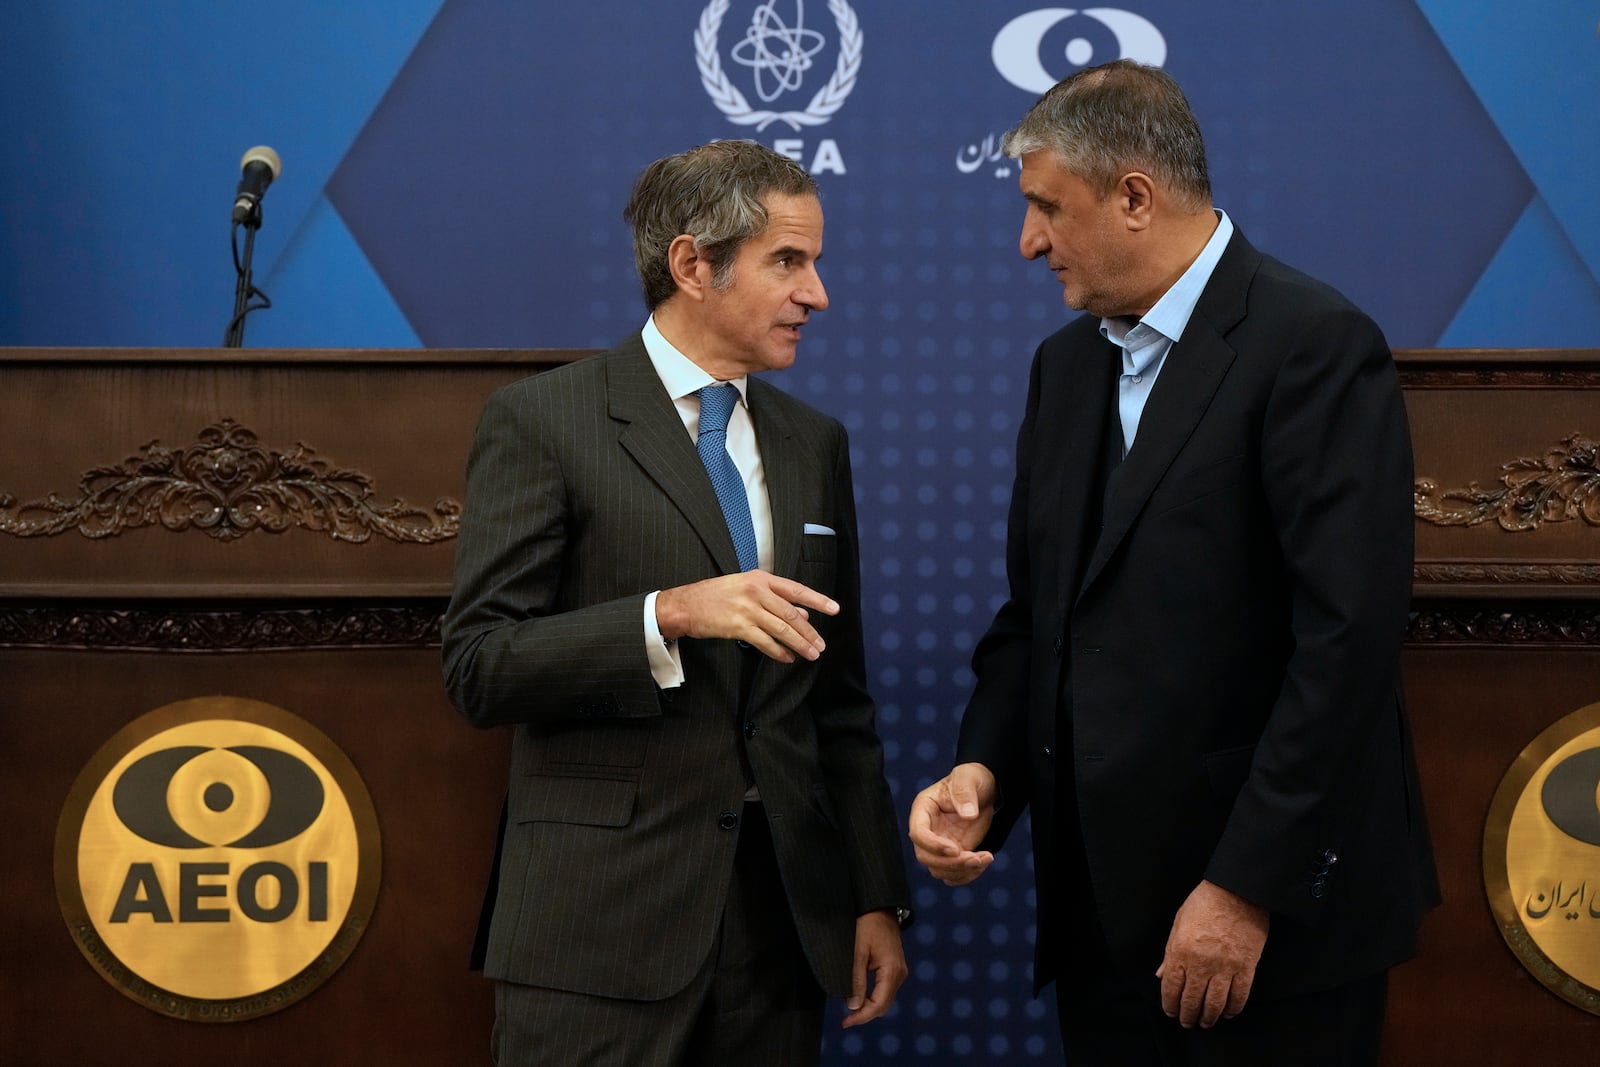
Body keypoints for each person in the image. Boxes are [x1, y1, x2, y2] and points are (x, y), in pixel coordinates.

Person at [908, 60, 1438, 1065]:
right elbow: (1041, 619)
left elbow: (1345, 645)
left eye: (1045, 208)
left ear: (1135, 196)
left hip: (1268, 929)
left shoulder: (1313, 344)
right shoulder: (1062, 370)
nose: (1028, 242)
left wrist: (1245, 886)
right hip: (1104, 929)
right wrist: (983, 770)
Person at [443, 140, 909, 1067]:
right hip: (596, 932)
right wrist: (668, 615)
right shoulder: (544, 420)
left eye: (814, 263)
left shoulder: (815, 442)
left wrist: (872, 894)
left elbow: (838, 700)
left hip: (779, 934)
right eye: (789, 261)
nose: (817, 295)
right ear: (693, 264)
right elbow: (479, 665)